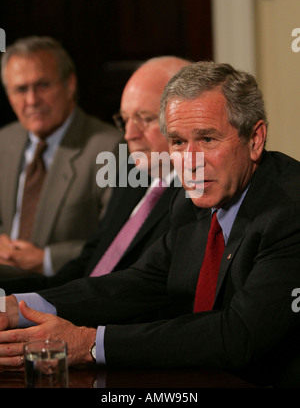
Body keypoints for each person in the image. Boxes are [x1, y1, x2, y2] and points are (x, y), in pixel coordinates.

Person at [1, 61, 300, 387]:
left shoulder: (290, 210)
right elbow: (137, 283)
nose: (190, 162)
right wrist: (18, 307)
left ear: (255, 139)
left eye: (208, 139)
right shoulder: (190, 201)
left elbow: (239, 334)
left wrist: (88, 342)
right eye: (178, 142)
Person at [0, 55, 190, 293]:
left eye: (145, 119)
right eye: (125, 119)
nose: (130, 134)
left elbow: (148, 293)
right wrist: (28, 299)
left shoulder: (198, 194)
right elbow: (94, 257)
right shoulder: (133, 171)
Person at [0, 36, 121, 275]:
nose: (32, 100)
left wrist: (47, 260)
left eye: (43, 85)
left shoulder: (110, 148)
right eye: (21, 89)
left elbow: (117, 240)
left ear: (70, 85)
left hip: (63, 285)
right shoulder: (4, 140)